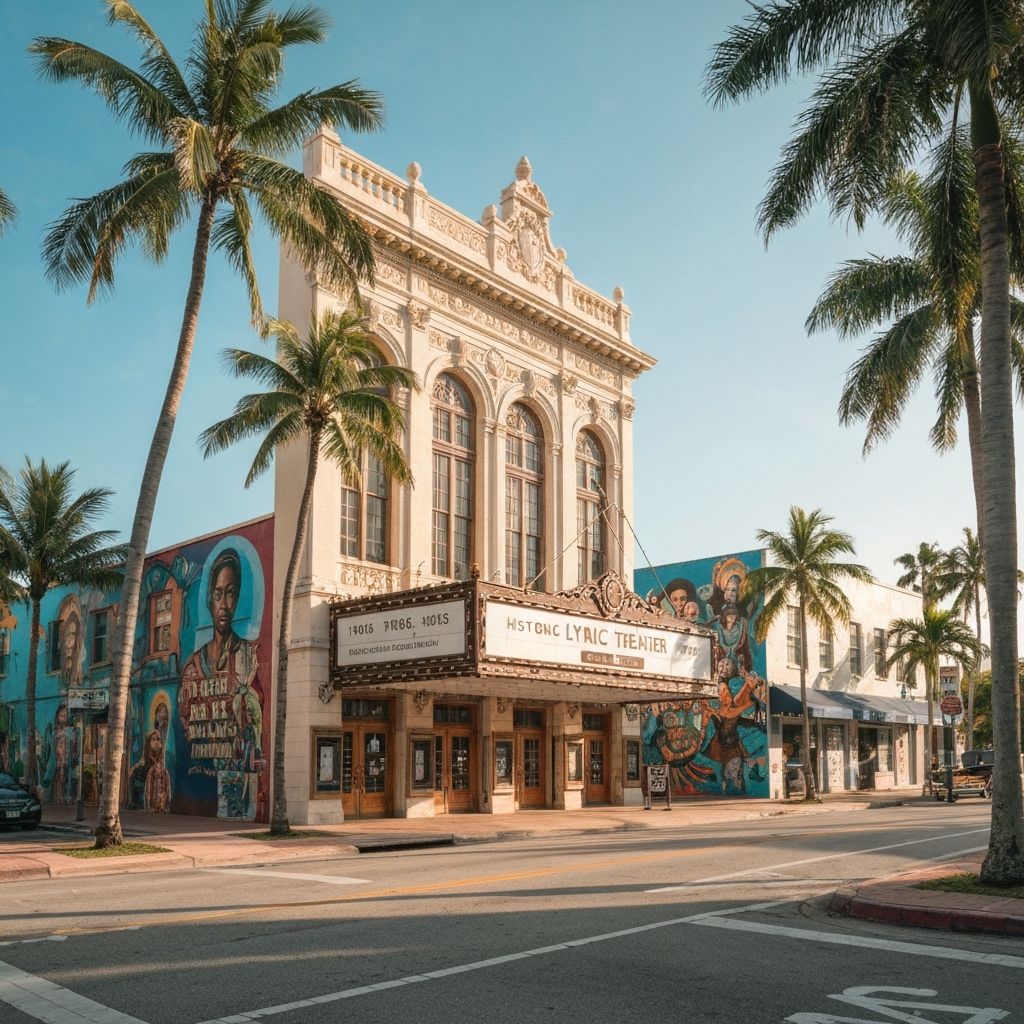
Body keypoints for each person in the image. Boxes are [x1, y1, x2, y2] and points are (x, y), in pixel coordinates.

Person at [179, 549, 265, 797]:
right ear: (209, 600)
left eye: (231, 594)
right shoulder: (192, 666)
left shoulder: (251, 658)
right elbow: (185, 722)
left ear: (238, 599)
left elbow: (259, 722)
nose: (224, 605)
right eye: (218, 594)